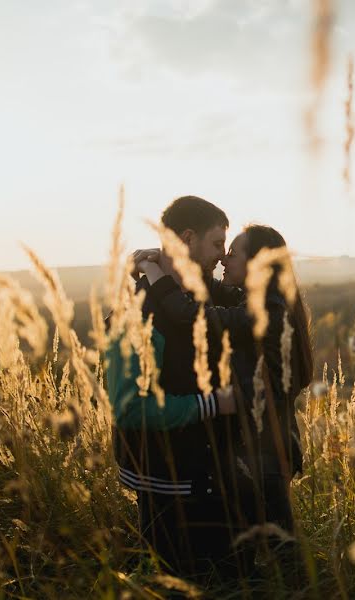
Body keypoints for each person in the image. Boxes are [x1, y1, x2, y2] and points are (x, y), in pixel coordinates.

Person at [133, 223, 313, 584]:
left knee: (282, 554)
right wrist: (174, 266)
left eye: (233, 253)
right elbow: (209, 292)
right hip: (254, 449)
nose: (224, 258)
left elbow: (193, 315)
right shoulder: (257, 299)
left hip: (266, 453)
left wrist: (153, 272)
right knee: (249, 552)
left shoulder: (266, 310)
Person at [106, 195, 254, 583]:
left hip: (218, 476)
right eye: (217, 243)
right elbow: (131, 409)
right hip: (168, 483)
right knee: (175, 582)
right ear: (187, 237)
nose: (222, 256)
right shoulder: (137, 314)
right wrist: (210, 405)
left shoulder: (203, 296)